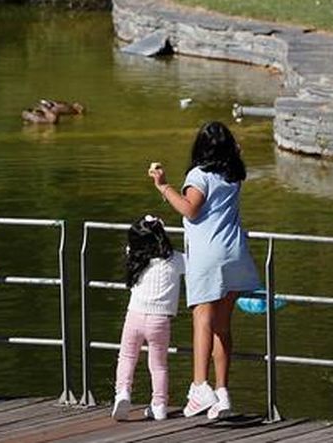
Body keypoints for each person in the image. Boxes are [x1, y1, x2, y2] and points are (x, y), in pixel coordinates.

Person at [148, 121, 260, 420]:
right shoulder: (234, 174)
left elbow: (190, 209)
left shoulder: (199, 175)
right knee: (223, 327)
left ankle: (200, 387)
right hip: (234, 253)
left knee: (202, 321)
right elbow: (235, 154)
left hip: (208, 256)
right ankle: (222, 392)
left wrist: (164, 186)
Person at [111, 215, 185, 422]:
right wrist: (159, 227)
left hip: (134, 315)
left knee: (126, 357)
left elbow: (136, 241)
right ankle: (159, 404)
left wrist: (152, 225)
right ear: (161, 236)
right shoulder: (176, 260)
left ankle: (123, 393)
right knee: (158, 365)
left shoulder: (135, 257)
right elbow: (194, 262)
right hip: (160, 320)